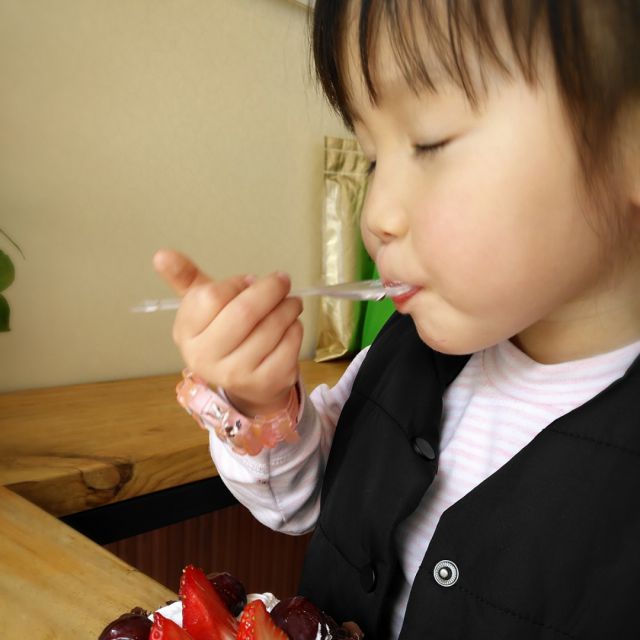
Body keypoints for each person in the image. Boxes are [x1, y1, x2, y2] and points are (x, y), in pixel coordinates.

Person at [154, 1, 640, 637]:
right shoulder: (403, 356)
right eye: (372, 158)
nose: (377, 213)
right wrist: (259, 401)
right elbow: (300, 498)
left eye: (430, 141)